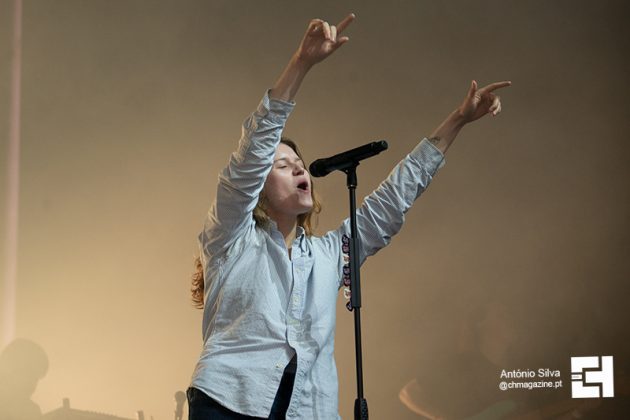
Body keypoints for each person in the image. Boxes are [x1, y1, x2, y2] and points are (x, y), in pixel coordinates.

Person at [187, 13, 510, 419]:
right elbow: (253, 152)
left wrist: (459, 120)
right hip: (230, 403)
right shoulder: (230, 238)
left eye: (299, 162)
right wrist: (301, 63)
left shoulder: (327, 255)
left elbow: (392, 202)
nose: (300, 169)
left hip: (310, 409)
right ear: (258, 190)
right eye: (282, 166)